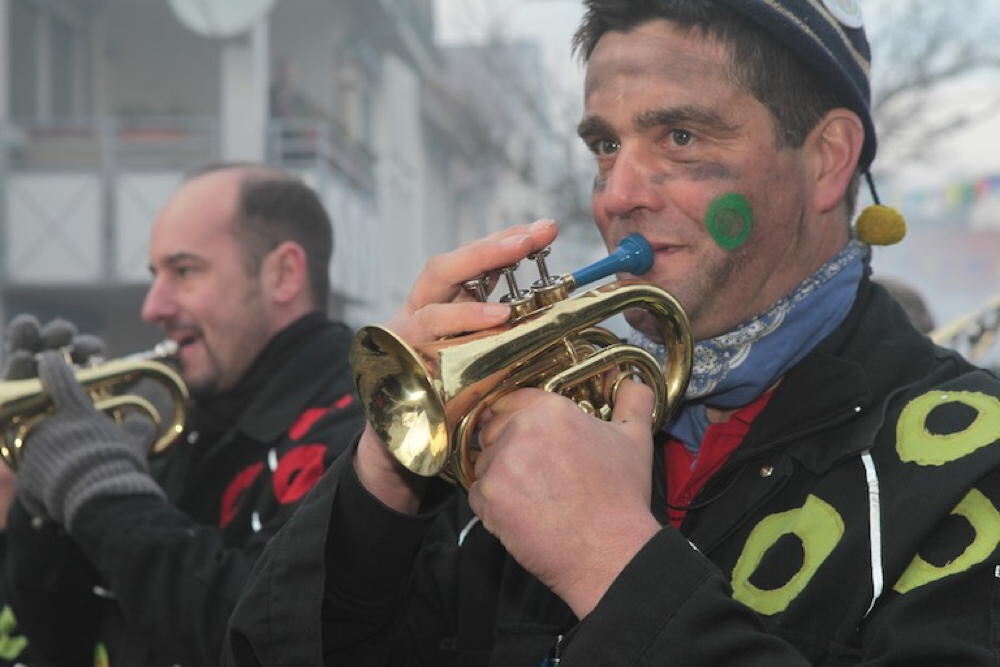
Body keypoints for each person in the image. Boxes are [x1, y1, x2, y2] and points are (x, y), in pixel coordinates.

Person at [225, 2, 1000, 664]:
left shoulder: (974, 456)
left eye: (681, 139)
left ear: (828, 161)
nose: (616, 196)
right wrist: (392, 469)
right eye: (605, 146)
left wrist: (608, 558)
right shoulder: (558, 417)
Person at [2, 163, 365, 666]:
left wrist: (102, 493)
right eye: (155, 276)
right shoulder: (190, 416)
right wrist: (44, 503)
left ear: (283, 274)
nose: (153, 306)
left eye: (185, 271)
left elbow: (272, 636)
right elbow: (62, 640)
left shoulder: (360, 431)